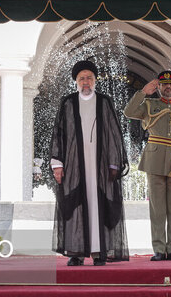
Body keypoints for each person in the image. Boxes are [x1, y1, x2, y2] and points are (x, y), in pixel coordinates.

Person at [50, 60, 130, 266]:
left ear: (95, 81)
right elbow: (58, 133)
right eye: (82, 78)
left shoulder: (104, 101)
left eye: (89, 78)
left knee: (98, 205)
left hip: (100, 166)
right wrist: (57, 163)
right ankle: (76, 252)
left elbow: (114, 133)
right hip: (75, 165)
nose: (86, 82)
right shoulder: (68, 102)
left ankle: (98, 252)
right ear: (76, 81)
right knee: (75, 206)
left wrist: (114, 163)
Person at [124, 70, 171, 261]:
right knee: (157, 207)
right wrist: (143, 92)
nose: (168, 87)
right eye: (164, 85)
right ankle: (159, 249)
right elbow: (128, 112)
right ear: (159, 87)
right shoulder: (149, 105)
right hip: (154, 160)